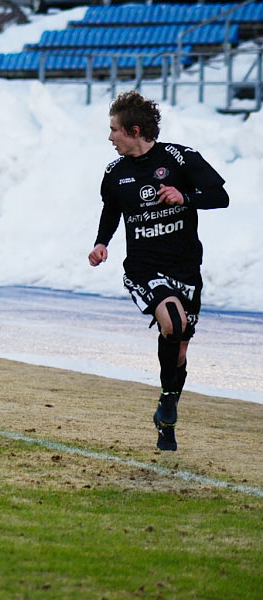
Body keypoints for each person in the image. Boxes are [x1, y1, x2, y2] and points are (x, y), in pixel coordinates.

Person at [88, 90, 229, 451]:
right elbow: (111, 210)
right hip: (143, 267)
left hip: (185, 267)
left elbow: (220, 196)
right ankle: (168, 401)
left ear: (135, 130)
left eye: (114, 130)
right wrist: (101, 242)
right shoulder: (114, 173)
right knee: (173, 321)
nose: (109, 138)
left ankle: (166, 411)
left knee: (179, 350)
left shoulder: (179, 158)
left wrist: (186, 197)